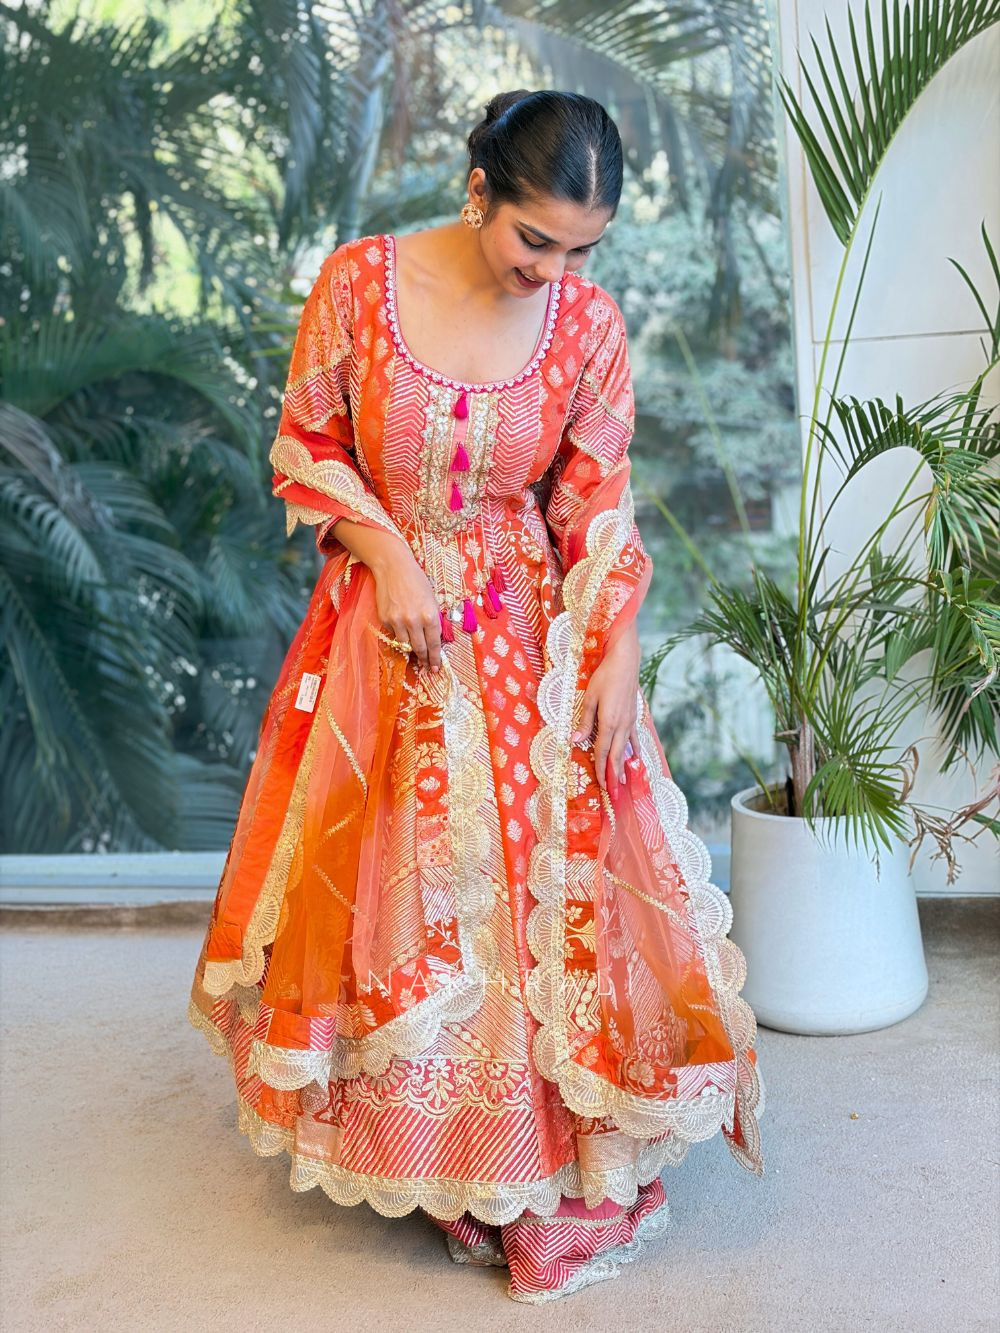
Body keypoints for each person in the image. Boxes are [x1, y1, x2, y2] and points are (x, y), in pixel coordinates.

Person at [188, 87, 765, 1304]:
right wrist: (388, 554)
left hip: (526, 626)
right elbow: (307, 440)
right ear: (477, 193)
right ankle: (438, 1153)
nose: (552, 272)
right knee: (403, 895)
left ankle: (537, 1160)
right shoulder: (359, 285)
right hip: (386, 633)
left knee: (534, 882)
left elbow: (595, 493)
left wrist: (615, 646)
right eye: (534, 240)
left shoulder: (586, 324)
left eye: (580, 250)